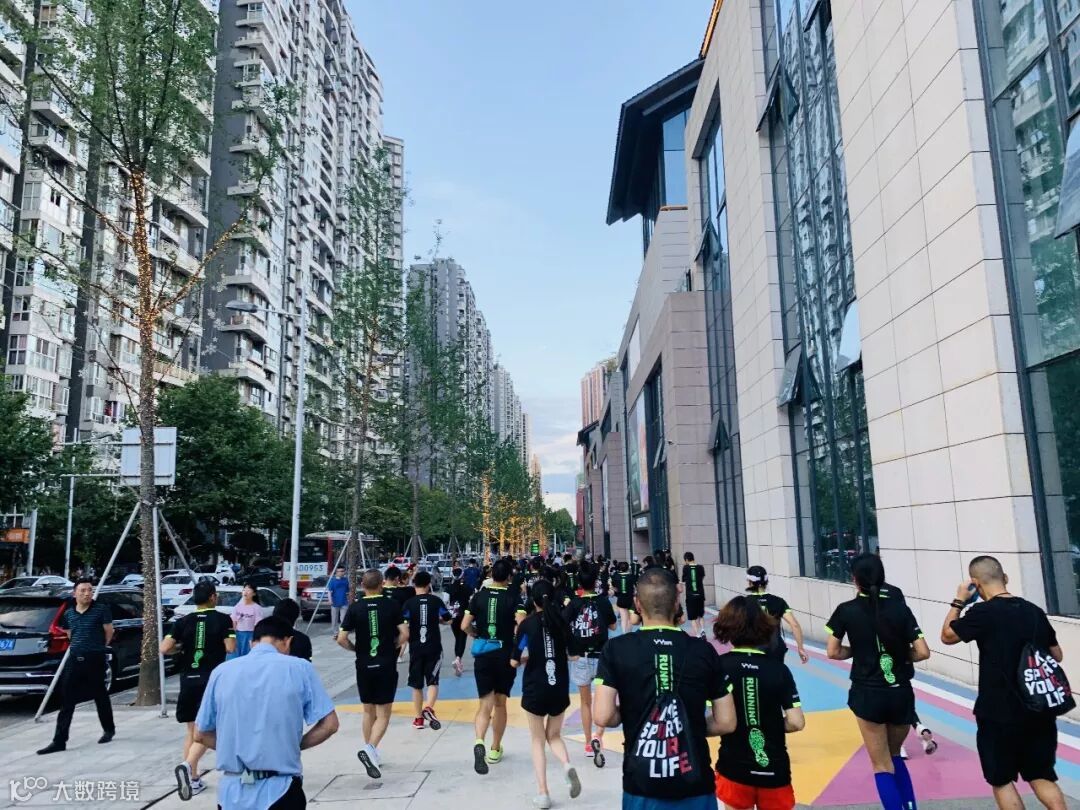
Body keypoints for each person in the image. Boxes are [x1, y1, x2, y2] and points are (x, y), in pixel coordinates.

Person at [594, 568, 737, 810]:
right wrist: (686, 726)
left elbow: (603, 715)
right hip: (695, 781)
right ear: (677, 603)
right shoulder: (704, 651)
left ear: (638, 605)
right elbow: (726, 722)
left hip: (641, 784)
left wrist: (632, 716)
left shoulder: (616, 649)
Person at [941, 555, 1069, 810]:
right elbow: (1057, 655)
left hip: (997, 712)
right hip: (1038, 708)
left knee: (1001, 780)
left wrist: (959, 601)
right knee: (1042, 776)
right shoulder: (1033, 611)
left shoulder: (982, 613)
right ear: (1006, 578)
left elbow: (947, 636)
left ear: (976, 584)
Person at [195, 617, 339, 809]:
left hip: (231, 792)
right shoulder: (300, 668)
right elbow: (330, 725)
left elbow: (200, 734)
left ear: (251, 643)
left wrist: (239, 748)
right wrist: (292, 745)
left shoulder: (221, 672)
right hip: (281, 788)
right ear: (288, 641)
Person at [826, 553, 930, 810]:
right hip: (900, 693)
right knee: (895, 757)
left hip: (868, 694)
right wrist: (899, 655)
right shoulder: (900, 609)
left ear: (854, 579)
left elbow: (833, 652)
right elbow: (922, 652)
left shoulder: (845, 611)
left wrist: (860, 652)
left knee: (881, 764)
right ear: (882, 577)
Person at [713, 596, 805, 810]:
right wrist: (770, 724)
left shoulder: (719, 667)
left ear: (727, 627)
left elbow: (717, 718)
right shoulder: (779, 670)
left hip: (734, 766)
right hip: (774, 768)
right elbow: (796, 722)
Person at [159, 580, 236, 800]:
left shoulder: (182, 622)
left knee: (192, 731)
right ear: (213, 597)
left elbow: (164, 648)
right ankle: (188, 765)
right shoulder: (223, 619)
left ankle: (193, 779)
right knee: (210, 730)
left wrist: (182, 649)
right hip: (212, 680)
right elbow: (231, 647)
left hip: (188, 679)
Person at [513, 579, 581, 809]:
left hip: (535, 687)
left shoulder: (527, 625)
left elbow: (514, 659)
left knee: (537, 739)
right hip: (559, 686)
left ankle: (543, 793)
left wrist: (527, 658)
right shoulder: (561, 622)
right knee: (554, 735)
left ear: (533, 600)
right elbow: (574, 655)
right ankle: (566, 764)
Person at [338, 568, 408, 779]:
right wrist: (394, 645)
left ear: (362, 586)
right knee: (383, 713)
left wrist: (355, 649)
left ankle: (371, 751)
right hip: (386, 664)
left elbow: (341, 638)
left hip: (363, 664)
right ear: (381, 585)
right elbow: (405, 633)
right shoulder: (392, 605)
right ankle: (370, 749)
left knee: (368, 711)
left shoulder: (355, 607)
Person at [37, 579, 116, 756]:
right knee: (67, 699)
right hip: (74, 658)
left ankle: (108, 729)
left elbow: (109, 631)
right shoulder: (69, 614)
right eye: (83, 590)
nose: (87, 593)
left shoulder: (101, 610)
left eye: (89, 590)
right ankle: (59, 740)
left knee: (100, 695)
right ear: (75, 593)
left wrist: (97, 646)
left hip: (95, 658)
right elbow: (69, 633)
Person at [461, 557, 524, 774]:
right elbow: (522, 624)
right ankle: (495, 748)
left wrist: (475, 634)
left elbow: (464, 625)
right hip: (505, 654)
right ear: (508, 577)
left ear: (491, 575)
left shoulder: (478, 596)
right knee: (500, 703)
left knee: (484, 704)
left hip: (484, 654)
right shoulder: (514, 597)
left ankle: (479, 740)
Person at [565, 562, 617, 766]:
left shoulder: (574, 604)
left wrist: (569, 651)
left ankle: (588, 743)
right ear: (595, 582)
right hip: (602, 656)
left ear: (579, 583)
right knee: (603, 699)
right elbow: (613, 625)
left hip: (580, 657)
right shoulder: (603, 602)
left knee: (585, 702)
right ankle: (598, 735)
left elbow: (563, 625)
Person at [402, 570, 451, 730]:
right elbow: (448, 618)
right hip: (433, 646)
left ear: (414, 584)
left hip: (415, 647)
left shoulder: (409, 603)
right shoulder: (436, 601)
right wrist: (439, 621)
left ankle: (418, 719)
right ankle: (428, 707)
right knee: (432, 681)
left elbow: (404, 623)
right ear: (429, 584)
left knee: (416, 685)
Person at [745, 566, 808, 664]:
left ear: (750, 582)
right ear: (766, 582)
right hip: (776, 648)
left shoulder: (744, 602)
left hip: (754, 649)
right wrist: (800, 648)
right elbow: (794, 625)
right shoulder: (779, 601)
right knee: (776, 672)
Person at [447, 566, 474, 677]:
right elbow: (472, 601)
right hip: (464, 615)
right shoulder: (468, 588)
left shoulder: (448, 588)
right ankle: (458, 659)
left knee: (457, 638)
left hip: (453, 615)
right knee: (462, 638)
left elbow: (445, 601)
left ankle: (458, 660)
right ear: (463, 576)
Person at [230, 583, 261, 657]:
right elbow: (233, 623)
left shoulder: (257, 608)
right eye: (244, 590)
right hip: (238, 635)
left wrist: (254, 639)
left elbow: (257, 625)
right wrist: (232, 638)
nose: (245, 592)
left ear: (254, 593)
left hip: (250, 635)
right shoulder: (237, 607)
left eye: (248, 590)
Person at [682, 552, 707, 638]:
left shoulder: (685, 568)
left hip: (690, 596)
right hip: (700, 594)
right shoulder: (700, 567)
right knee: (701, 615)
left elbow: (684, 579)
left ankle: (697, 634)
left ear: (686, 560)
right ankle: (703, 630)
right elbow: (702, 577)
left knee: (693, 617)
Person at [613, 560, 637, 633]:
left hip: (620, 599)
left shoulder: (616, 576)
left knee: (623, 619)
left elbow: (614, 588)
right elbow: (635, 588)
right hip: (630, 599)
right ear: (628, 568)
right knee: (629, 619)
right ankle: (629, 634)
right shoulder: (631, 576)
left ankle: (624, 634)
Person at [326, 566, 350, 637]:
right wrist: (330, 600)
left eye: (343, 571)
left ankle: (342, 632)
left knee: (343, 619)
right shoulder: (332, 581)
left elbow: (347, 591)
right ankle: (335, 633)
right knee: (334, 619)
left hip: (344, 602)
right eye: (341, 571)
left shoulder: (345, 580)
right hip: (335, 603)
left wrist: (348, 599)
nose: (342, 572)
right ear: (336, 572)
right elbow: (329, 592)